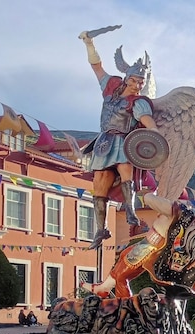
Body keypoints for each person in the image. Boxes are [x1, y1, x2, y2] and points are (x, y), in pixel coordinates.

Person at [80, 30, 159, 249]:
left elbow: (146, 119)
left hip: (124, 142)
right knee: (100, 181)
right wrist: (89, 44)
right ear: (126, 78)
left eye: (141, 82)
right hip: (104, 142)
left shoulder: (138, 102)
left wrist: (155, 131)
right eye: (134, 80)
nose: (137, 85)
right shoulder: (110, 87)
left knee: (126, 171)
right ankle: (101, 228)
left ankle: (130, 211)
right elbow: (97, 67)